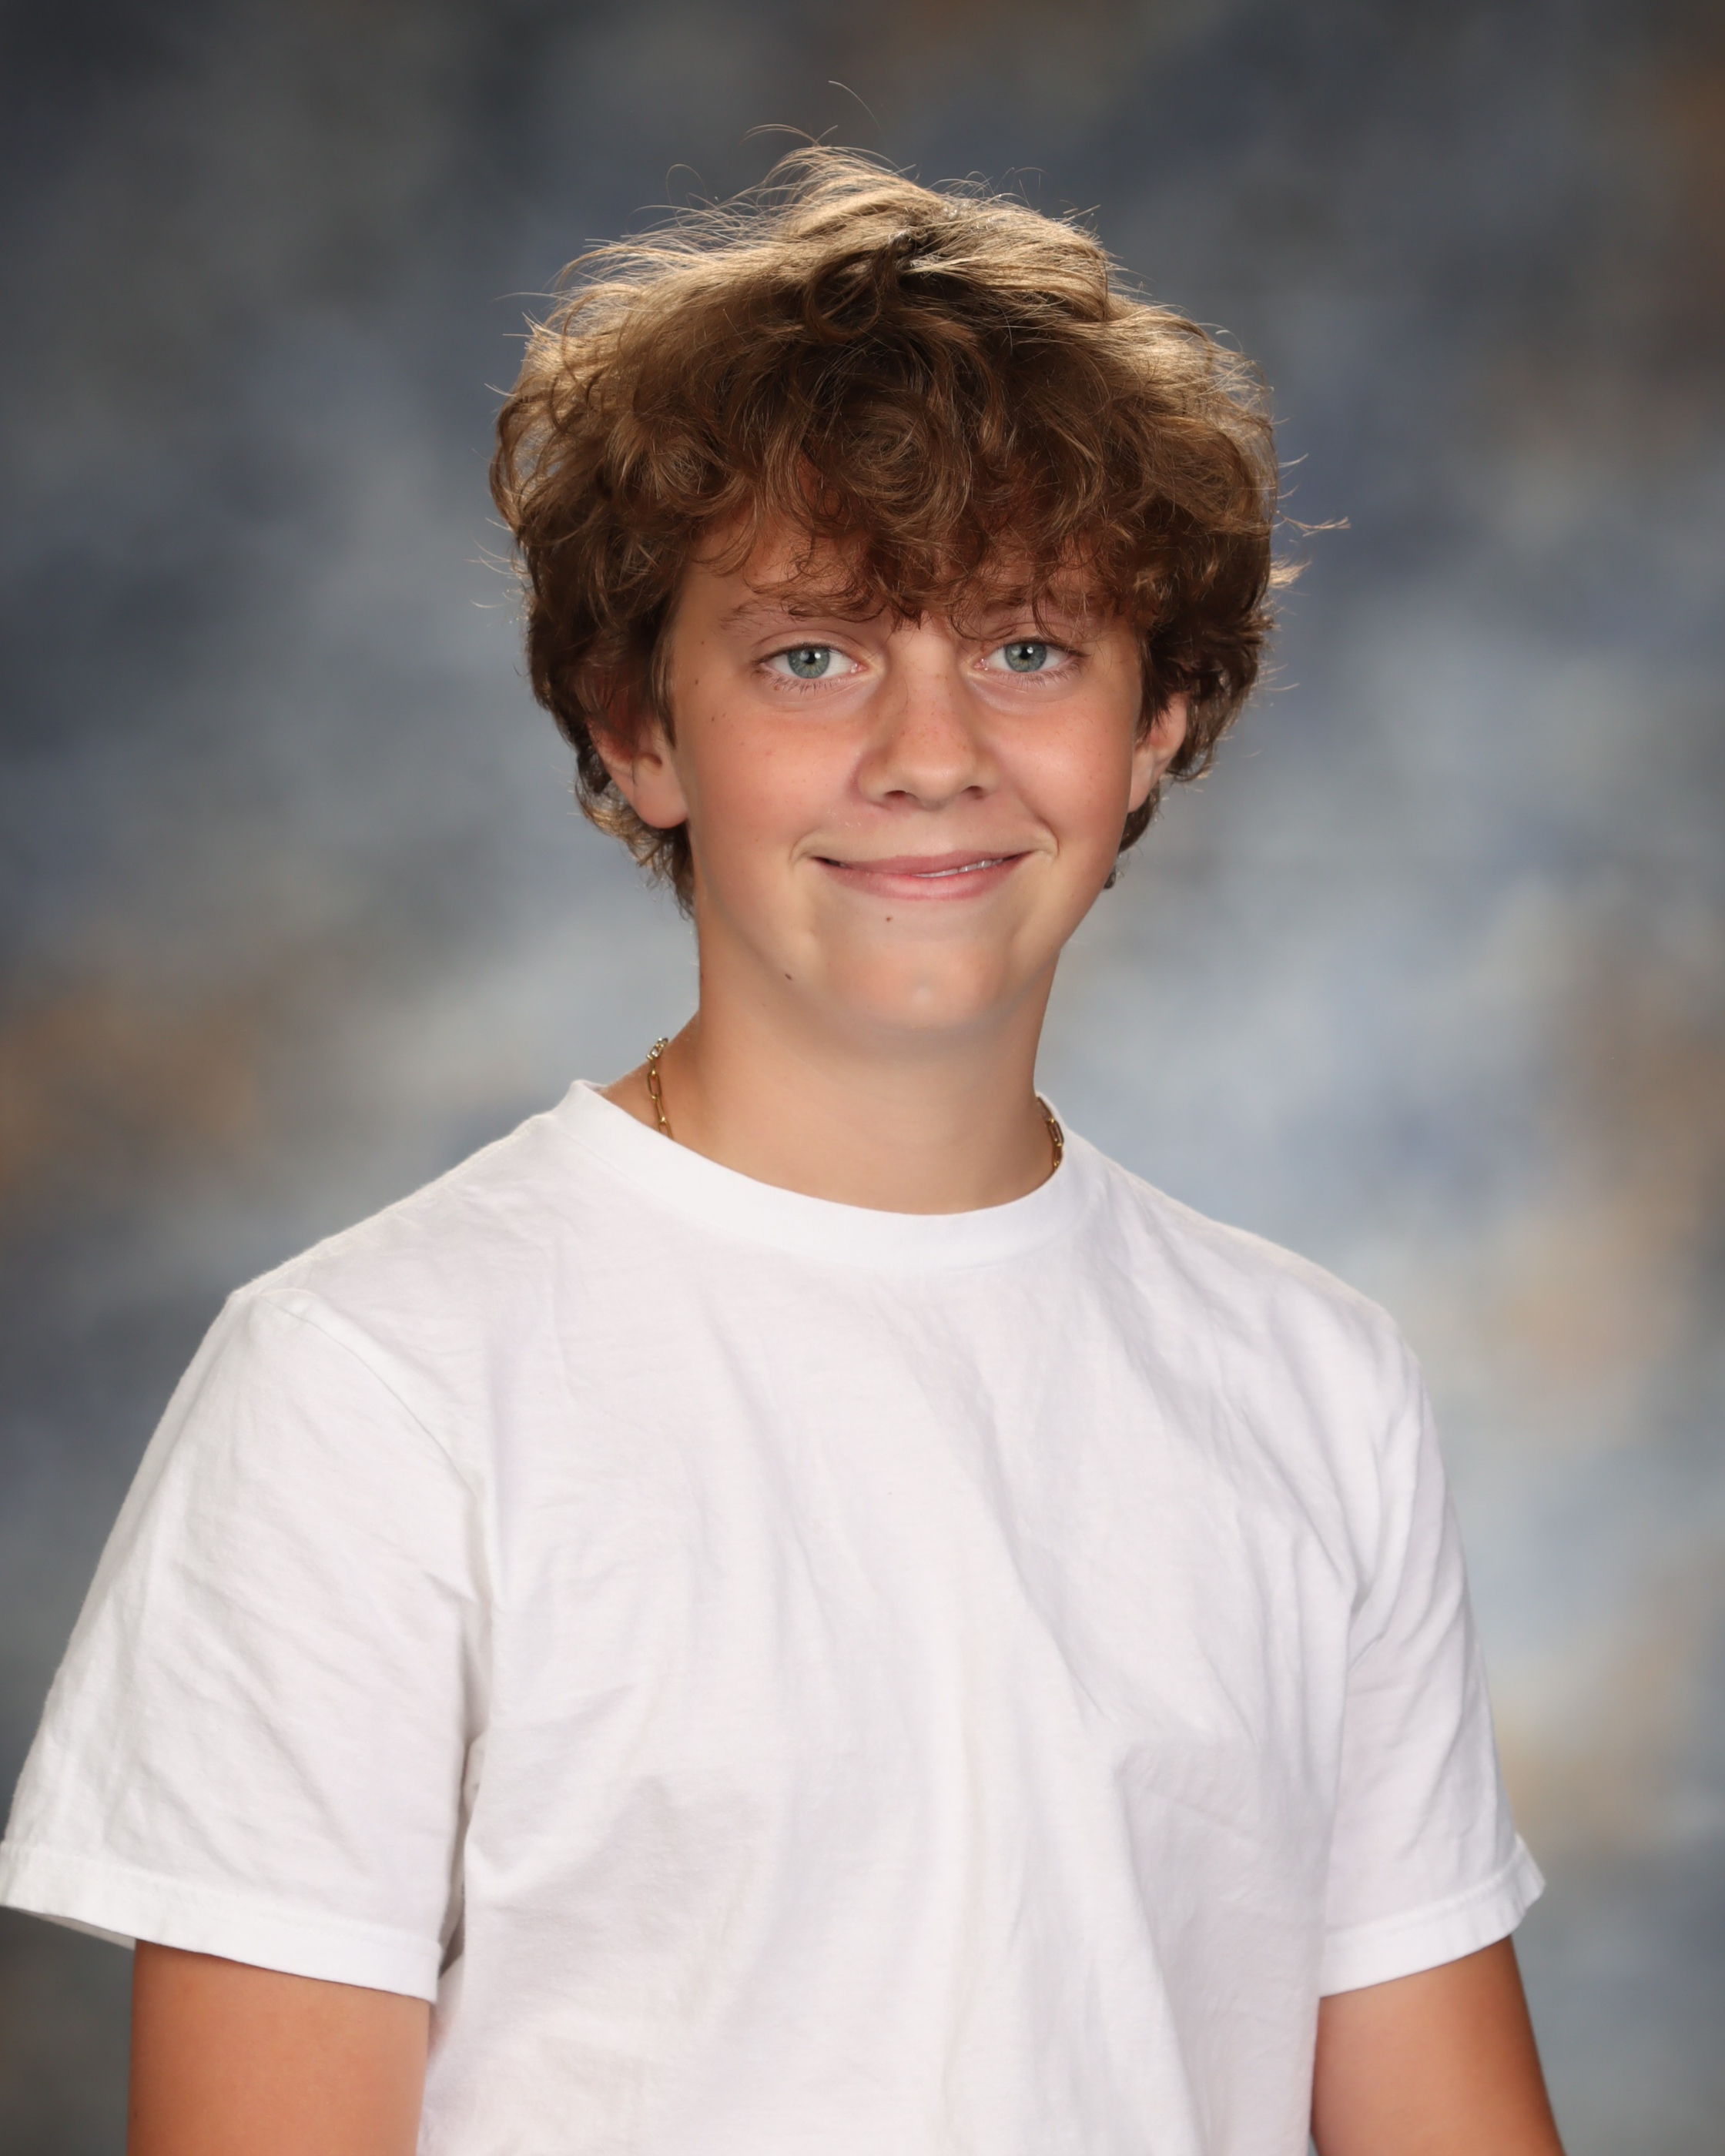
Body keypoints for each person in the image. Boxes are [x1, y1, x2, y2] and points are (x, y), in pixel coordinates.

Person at [0, 151, 1564, 2155]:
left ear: (1161, 713)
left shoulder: (1314, 1387)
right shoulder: (368, 1390)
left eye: (1028, 646)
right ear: (636, 728)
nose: (932, 755)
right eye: (813, 654)